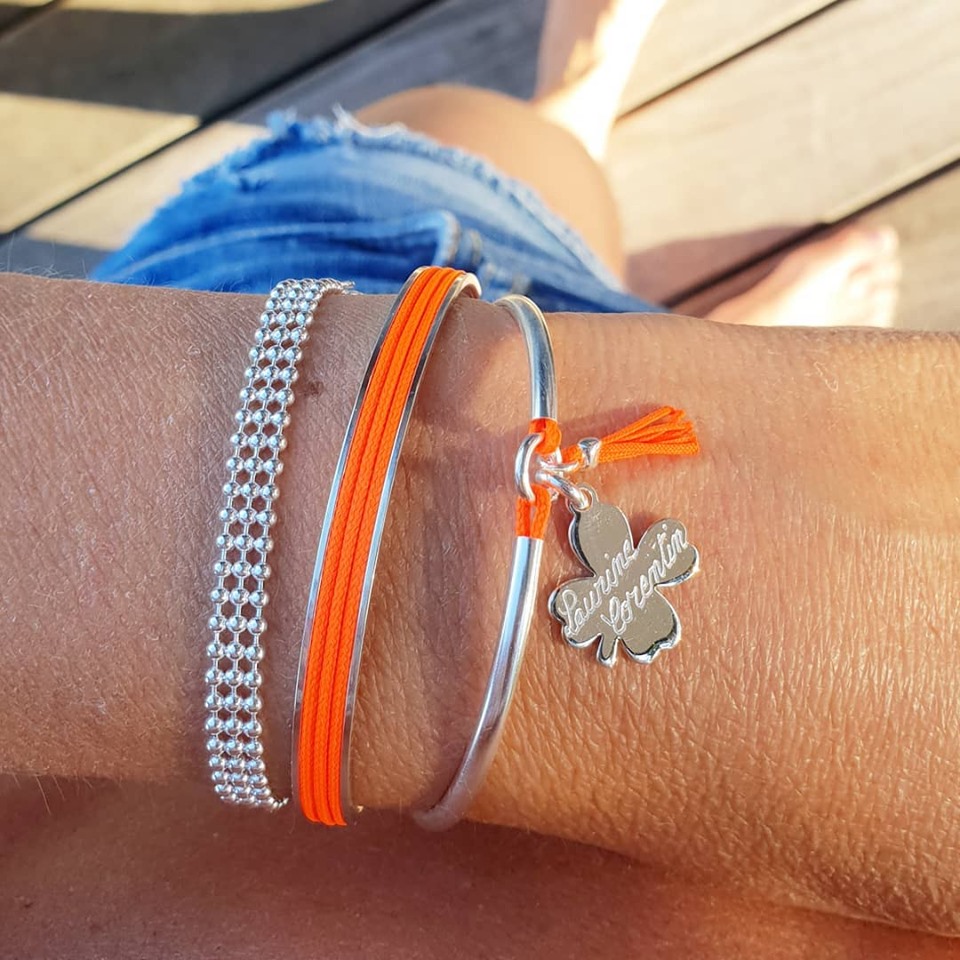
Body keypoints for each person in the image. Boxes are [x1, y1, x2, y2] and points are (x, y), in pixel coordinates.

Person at [2, 0, 956, 955]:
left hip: (279, 328)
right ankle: (647, 280)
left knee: (491, 152)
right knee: (531, 181)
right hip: (456, 379)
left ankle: (596, 172)